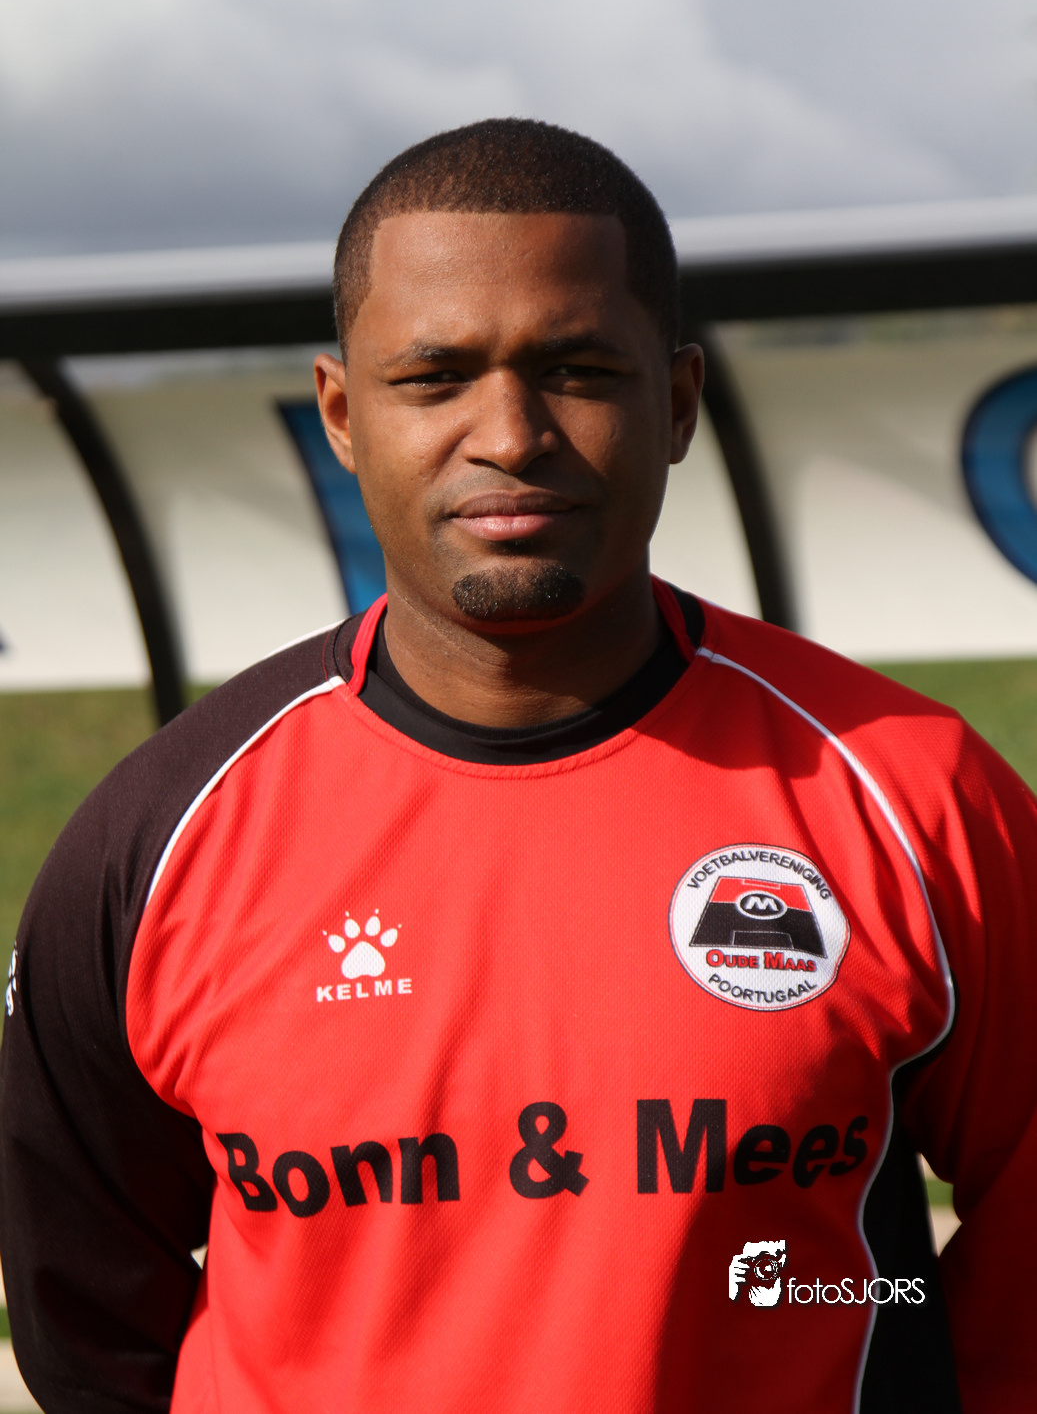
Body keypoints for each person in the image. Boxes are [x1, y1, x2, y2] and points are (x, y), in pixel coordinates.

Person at [1, 118, 1034, 1414]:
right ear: (342, 414)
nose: (509, 433)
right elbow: (87, 1307)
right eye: (435, 377)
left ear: (676, 403)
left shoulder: (915, 796)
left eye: (577, 370)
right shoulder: (160, 836)